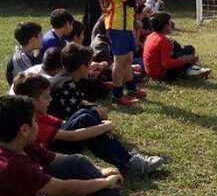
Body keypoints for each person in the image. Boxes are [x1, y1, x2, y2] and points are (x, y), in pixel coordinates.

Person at [0, 95, 166, 196]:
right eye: (34, 120)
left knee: (75, 161)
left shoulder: (23, 144)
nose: (37, 123)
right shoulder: (10, 165)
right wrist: (105, 182)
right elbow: (64, 189)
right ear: (24, 130)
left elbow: (58, 159)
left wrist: (100, 170)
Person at [13, 73, 163, 176]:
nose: (51, 100)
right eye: (46, 97)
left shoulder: (37, 114)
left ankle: (127, 159)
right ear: (32, 101)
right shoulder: (30, 123)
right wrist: (103, 127)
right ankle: (128, 163)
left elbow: (66, 123)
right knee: (85, 118)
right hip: (50, 161)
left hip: (54, 150)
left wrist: (98, 124)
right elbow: (72, 136)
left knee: (85, 115)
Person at [97, 0, 143, 105]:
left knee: (128, 57)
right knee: (120, 60)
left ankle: (131, 87)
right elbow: (131, 1)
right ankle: (117, 94)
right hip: (118, 23)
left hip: (120, 21)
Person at [143, 12, 211, 81]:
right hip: (163, 75)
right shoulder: (163, 41)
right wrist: (185, 61)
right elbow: (166, 64)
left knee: (176, 45)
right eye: (170, 22)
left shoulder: (150, 36)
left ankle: (189, 70)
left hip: (151, 72)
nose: (171, 24)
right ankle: (188, 72)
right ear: (165, 26)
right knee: (190, 50)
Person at [48, 44, 108, 120]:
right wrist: (97, 112)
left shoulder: (61, 77)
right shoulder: (68, 85)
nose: (90, 68)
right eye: (89, 64)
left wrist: (92, 106)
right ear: (82, 68)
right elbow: (76, 117)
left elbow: (78, 102)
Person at [5, 22, 42, 86]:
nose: (43, 39)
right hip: (22, 94)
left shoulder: (30, 52)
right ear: (33, 40)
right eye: (41, 36)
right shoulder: (21, 59)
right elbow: (34, 80)